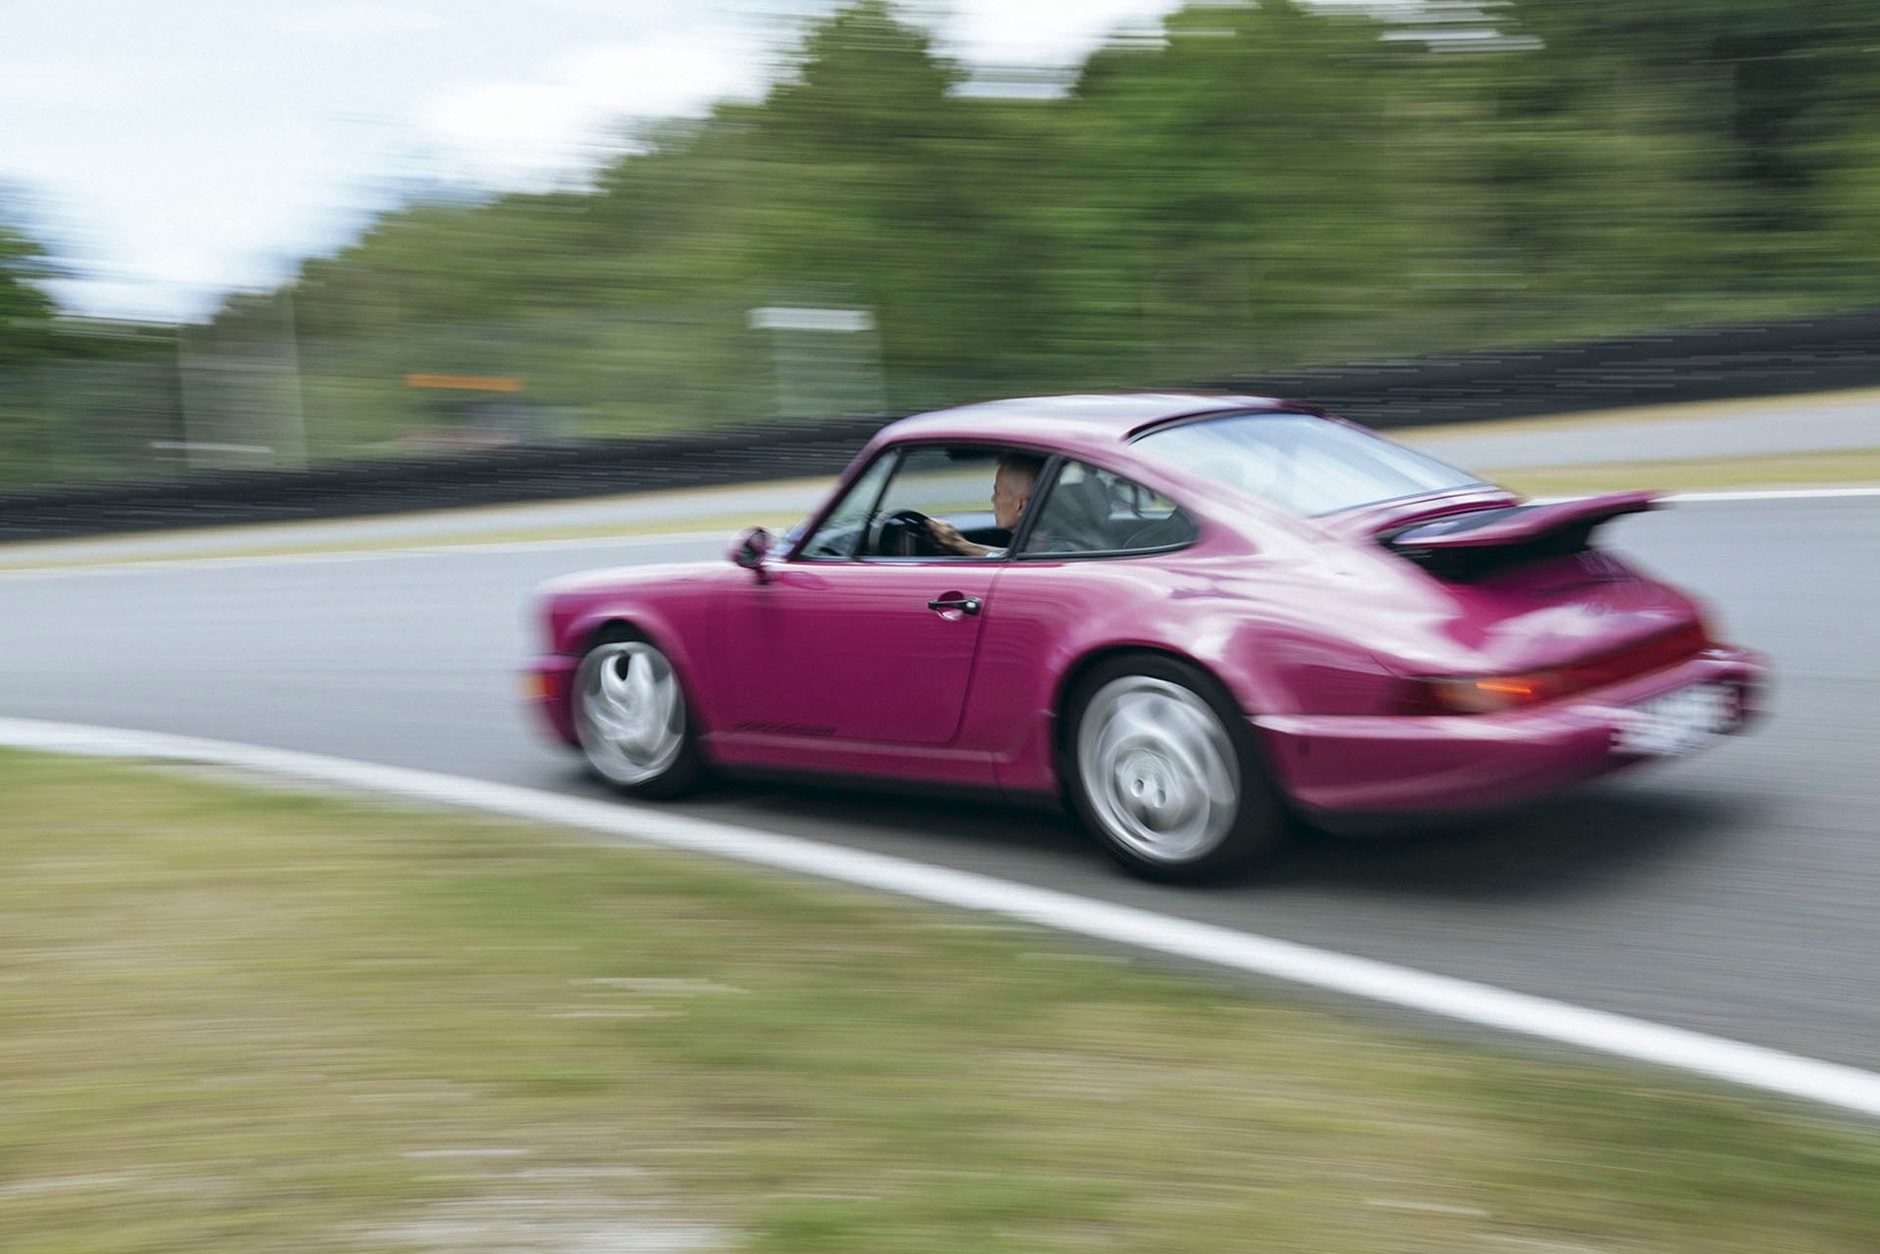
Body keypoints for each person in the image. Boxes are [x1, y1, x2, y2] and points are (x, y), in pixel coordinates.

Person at [925, 453, 1044, 558]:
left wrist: (958, 542)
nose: (992, 499)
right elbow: (1010, 556)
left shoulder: (1045, 551)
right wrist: (961, 546)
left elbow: (1016, 561)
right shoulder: (1046, 543)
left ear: (1021, 507)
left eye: (997, 493)